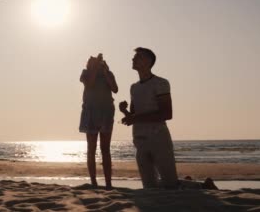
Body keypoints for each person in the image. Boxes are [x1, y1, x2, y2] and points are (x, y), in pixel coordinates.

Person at [119, 47, 217, 190]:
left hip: (158, 138)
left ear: (148, 61)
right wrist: (124, 112)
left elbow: (166, 114)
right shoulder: (134, 87)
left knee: (170, 184)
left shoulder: (161, 83)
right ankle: (189, 183)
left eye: (138, 57)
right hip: (139, 140)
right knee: (149, 187)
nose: (133, 59)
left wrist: (134, 118)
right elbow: (134, 116)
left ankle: (204, 186)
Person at [79, 53, 118, 189]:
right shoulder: (85, 73)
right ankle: (93, 182)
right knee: (91, 148)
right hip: (90, 112)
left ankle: (108, 183)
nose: (93, 63)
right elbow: (89, 84)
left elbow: (115, 89)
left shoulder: (108, 73)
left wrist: (106, 71)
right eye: (91, 62)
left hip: (106, 112)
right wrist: (95, 68)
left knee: (105, 149)